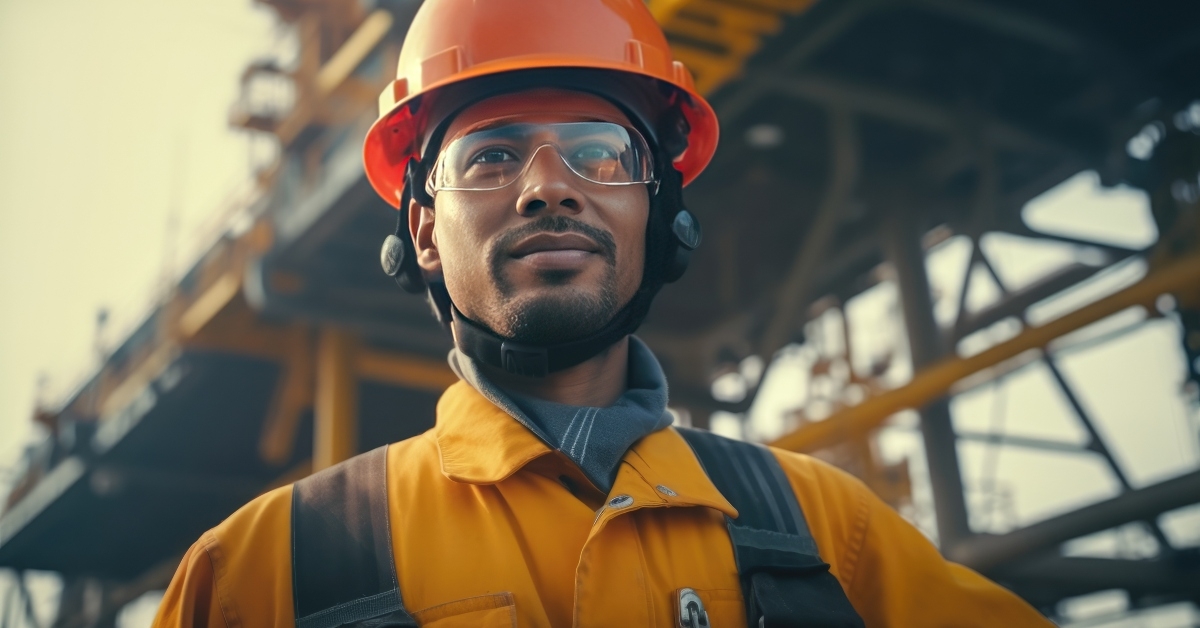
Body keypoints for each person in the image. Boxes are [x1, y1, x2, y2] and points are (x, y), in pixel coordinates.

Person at [154, 0, 1052, 626]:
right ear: (424, 232)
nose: (549, 188)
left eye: (600, 152)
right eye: (491, 157)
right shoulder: (258, 576)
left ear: (661, 213)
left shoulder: (832, 534)